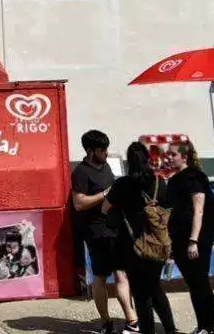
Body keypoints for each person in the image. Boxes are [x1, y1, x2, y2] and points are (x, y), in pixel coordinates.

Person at [104, 143, 178, 334]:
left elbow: (105, 208)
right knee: (155, 287)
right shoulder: (159, 182)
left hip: (132, 244)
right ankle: (170, 329)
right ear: (147, 159)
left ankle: (148, 331)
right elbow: (168, 209)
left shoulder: (122, 184)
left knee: (140, 294)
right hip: (157, 242)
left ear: (129, 161)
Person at [71, 129, 138, 334]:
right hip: (97, 231)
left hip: (115, 228)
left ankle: (132, 321)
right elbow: (79, 203)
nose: (106, 153)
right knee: (100, 276)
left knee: (122, 274)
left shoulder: (106, 166)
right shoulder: (80, 172)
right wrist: (106, 193)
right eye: (101, 150)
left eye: (106, 149)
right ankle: (107, 322)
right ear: (90, 151)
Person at [165, 140, 214, 334]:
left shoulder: (194, 177)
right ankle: (201, 326)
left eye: (173, 154)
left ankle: (209, 328)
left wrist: (193, 241)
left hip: (197, 237)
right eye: (168, 154)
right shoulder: (174, 180)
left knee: (200, 282)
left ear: (184, 157)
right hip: (180, 238)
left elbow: (199, 210)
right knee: (192, 283)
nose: (169, 157)